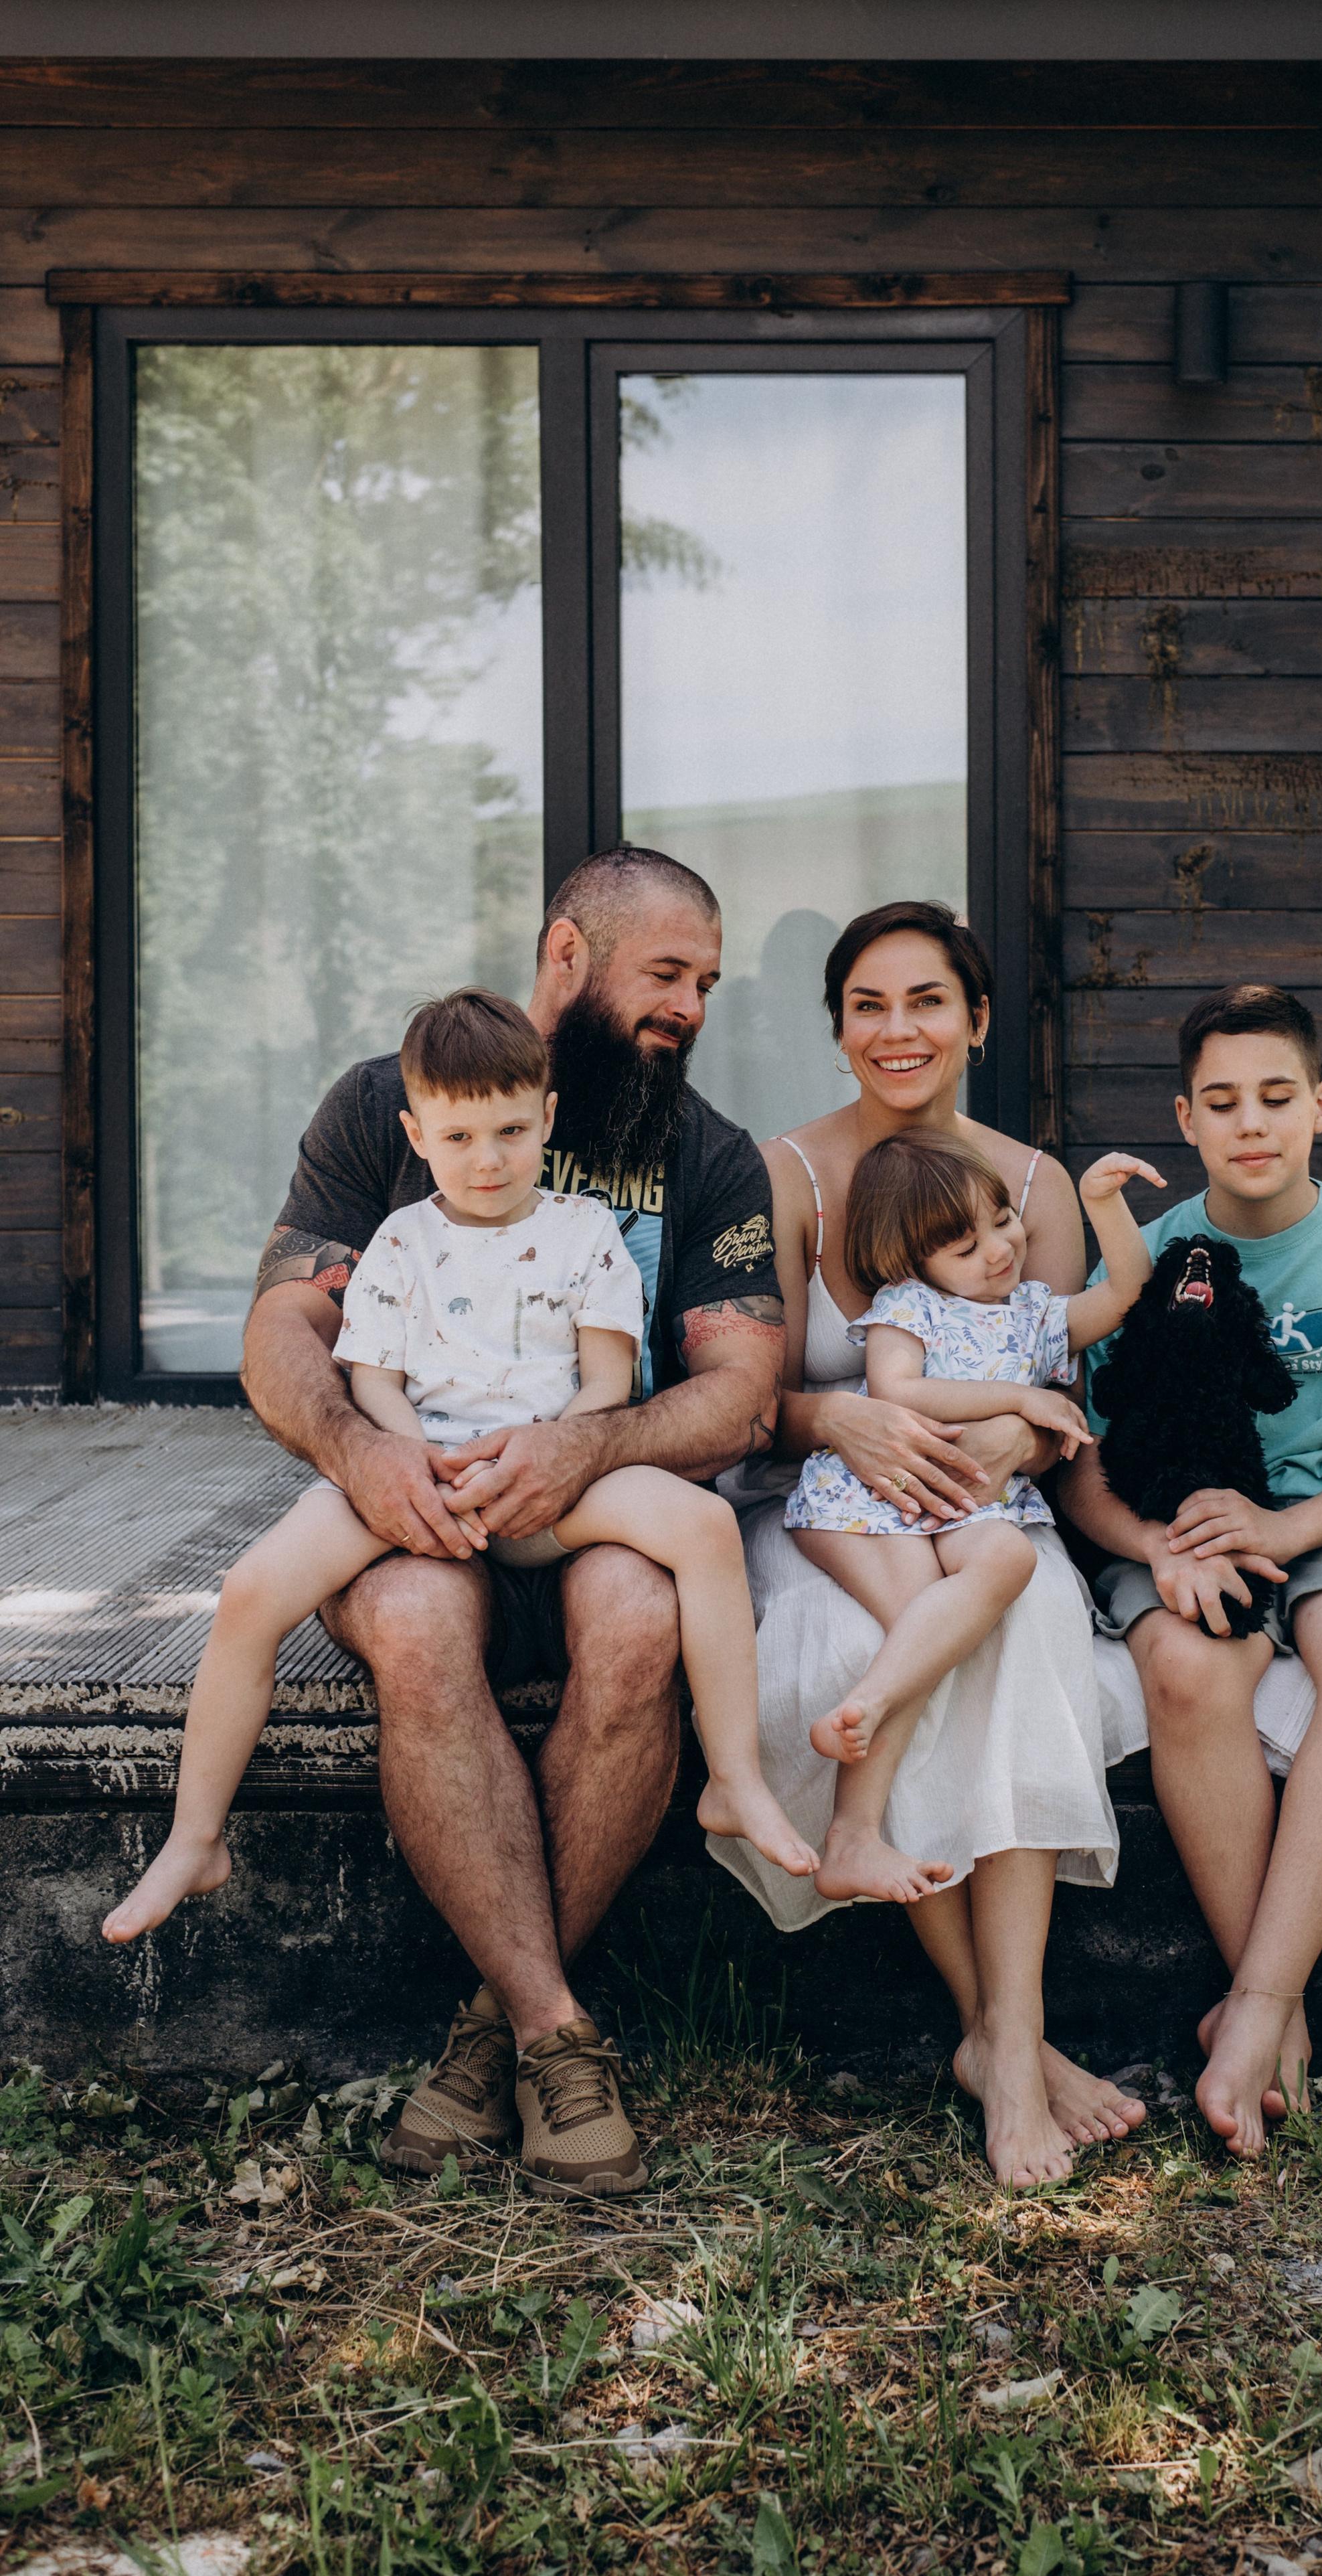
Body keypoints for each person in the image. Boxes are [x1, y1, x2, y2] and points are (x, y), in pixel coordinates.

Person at [228, 848, 787, 2198]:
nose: (692, 1005)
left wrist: (589, 1441)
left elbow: (742, 1392)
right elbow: (284, 1325)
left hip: (595, 1505)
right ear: (566, 956)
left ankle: (489, 2035)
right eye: (667, 973)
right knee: (418, 1625)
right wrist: (364, 1455)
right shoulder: (389, 1106)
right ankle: (552, 2029)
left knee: (639, 1614)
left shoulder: (702, 1153)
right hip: (415, 1499)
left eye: (706, 982)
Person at [101, 988, 817, 1966]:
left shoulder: (586, 1236)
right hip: (422, 1481)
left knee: (701, 1530)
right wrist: (411, 1459)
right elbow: (372, 1377)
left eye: (513, 1131)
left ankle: (735, 1776)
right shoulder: (399, 1240)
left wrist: (551, 1451)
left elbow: (608, 1380)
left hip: (549, 1483)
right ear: (417, 1132)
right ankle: (195, 1837)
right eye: (460, 1135)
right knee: (253, 1589)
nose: (488, 1159)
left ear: (547, 1118)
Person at [712, 900, 1153, 2190]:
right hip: (827, 1508)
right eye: (868, 1005)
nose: (897, 1030)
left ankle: (1007, 2041)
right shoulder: (780, 1171)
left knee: (1024, 1629)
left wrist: (1029, 1442)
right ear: (839, 1025)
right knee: (857, 1636)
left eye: (926, 1002)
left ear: (975, 1020)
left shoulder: (1032, 1186)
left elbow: (1063, 1374)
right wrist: (834, 1408)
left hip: (989, 1515)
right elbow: (750, 1400)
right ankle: (1003, 2040)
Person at [1061, 982, 1322, 2160]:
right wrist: (1156, 1546)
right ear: (1184, 1118)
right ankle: (1268, 2001)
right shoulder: (1145, 1262)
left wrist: (1279, 1534)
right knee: (1188, 1667)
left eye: (1277, 1097)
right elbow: (1081, 1461)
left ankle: (1249, 2009)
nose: (1253, 1122)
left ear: (1321, 1105)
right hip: (1177, 1519)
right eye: (1223, 1100)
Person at [787, 1131, 1159, 1905]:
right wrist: (1021, 1396)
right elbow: (897, 1391)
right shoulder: (907, 1306)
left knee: (1009, 1561)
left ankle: (876, 1699)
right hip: (877, 1495)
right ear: (912, 1258)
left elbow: (1126, 1291)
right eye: (964, 1244)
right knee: (922, 1616)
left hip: (962, 1504)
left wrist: (1102, 1207)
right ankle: (854, 1828)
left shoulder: (1034, 1313)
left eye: (1000, 1219)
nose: (997, 1249)